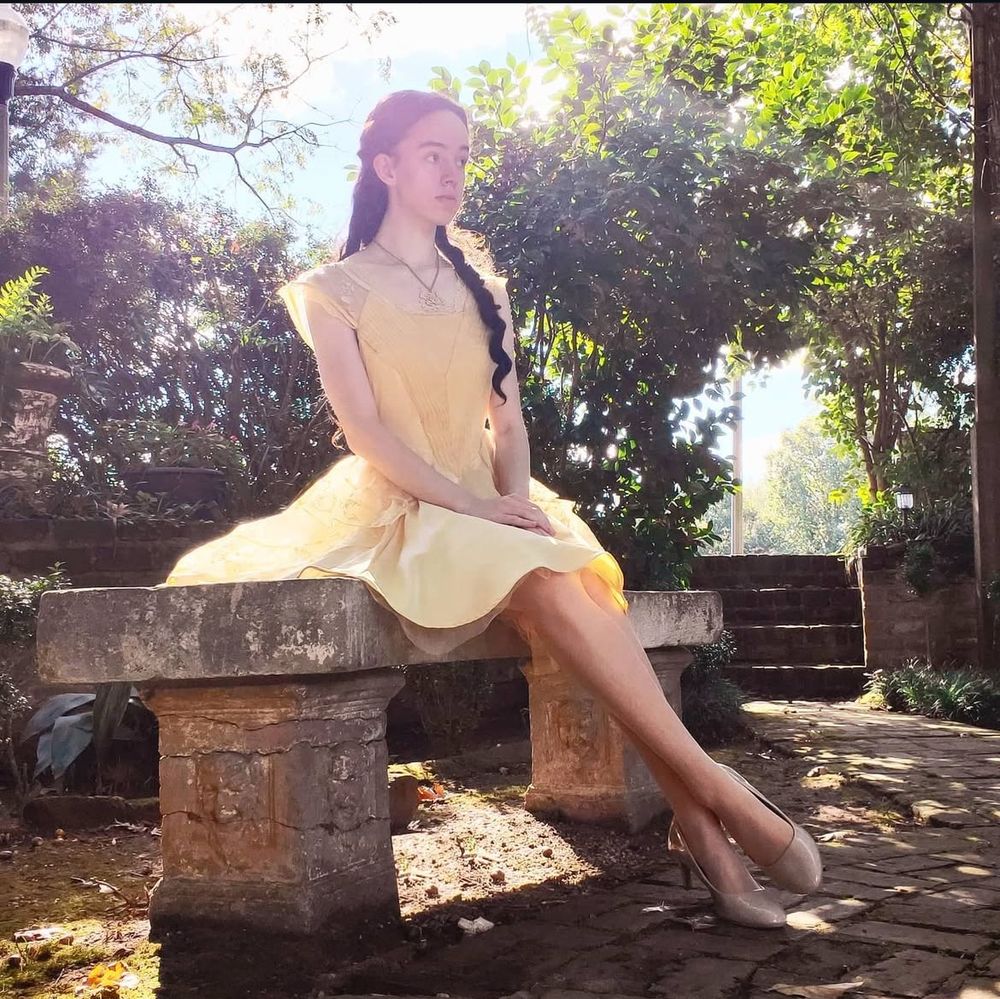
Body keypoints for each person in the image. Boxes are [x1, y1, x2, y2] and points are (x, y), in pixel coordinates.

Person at [160, 89, 822, 929]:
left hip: (493, 502)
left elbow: (507, 422)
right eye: (433, 153)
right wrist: (474, 506)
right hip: (405, 502)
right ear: (387, 166)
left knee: (567, 576)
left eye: (462, 157)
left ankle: (707, 826)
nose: (452, 172)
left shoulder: (485, 288)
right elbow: (366, 433)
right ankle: (724, 805)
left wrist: (512, 504)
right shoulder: (332, 289)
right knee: (556, 582)